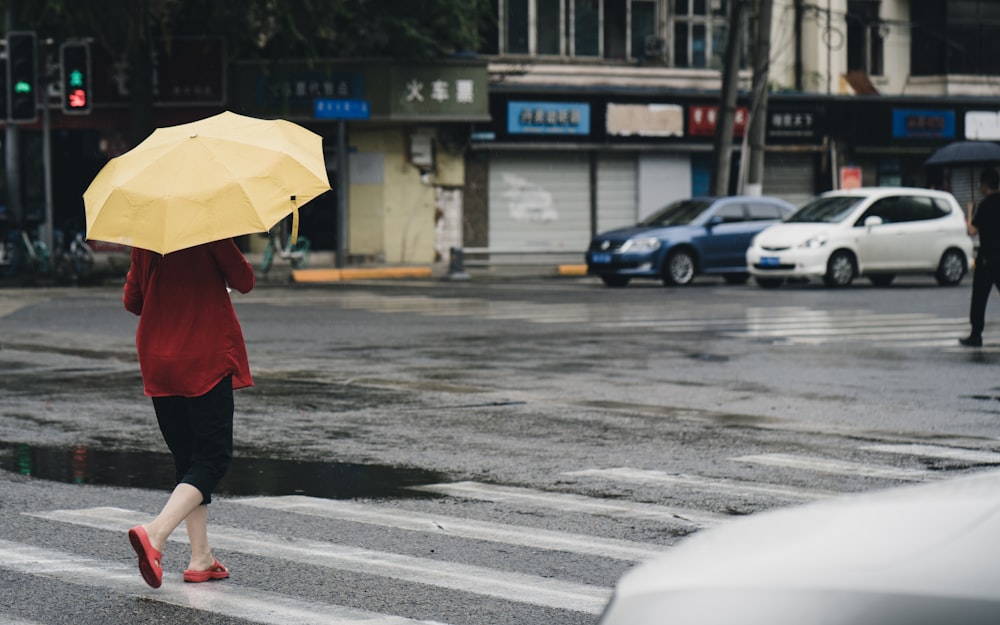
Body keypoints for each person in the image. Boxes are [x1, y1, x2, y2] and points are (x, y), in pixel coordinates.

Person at [122, 238, 255, 588]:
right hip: (204, 358)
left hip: (159, 361)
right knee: (213, 459)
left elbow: (132, 301)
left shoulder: (144, 241)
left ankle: (201, 558)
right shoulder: (210, 233)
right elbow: (245, 281)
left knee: (190, 460)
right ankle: (156, 533)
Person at [961, 168, 1000, 347]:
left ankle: (976, 334)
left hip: (987, 259)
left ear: (985, 185)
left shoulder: (985, 206)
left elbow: (971, 231)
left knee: (979, 298)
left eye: (980, 184)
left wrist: (970, 211)